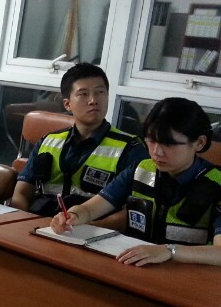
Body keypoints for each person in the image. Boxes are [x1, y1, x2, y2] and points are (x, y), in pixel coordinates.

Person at [50, 97, 221, 267]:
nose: (157, 152)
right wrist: (72, 216)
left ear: (199, 143)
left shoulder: (216, 184)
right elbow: (91, 208)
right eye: (151, 140)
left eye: (169, 144)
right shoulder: (141, 169)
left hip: (189, 274)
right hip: (134, 266)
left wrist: (169, 251)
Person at [11, 63, 147, 217]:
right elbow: (21, 194)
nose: (93, 100)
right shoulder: (48, 141)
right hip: (40, 221)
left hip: (93, 227)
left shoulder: (130, 149)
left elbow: (133, 213)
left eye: (100, 92)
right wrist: (21, 221)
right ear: (67, 104)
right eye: (83, 94)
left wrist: (83, 224)